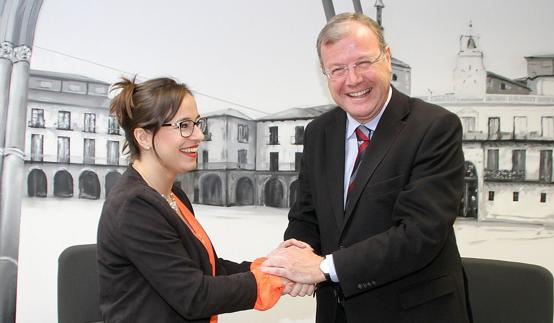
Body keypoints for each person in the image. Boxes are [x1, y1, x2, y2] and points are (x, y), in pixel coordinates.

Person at [262, 13, 472, 323]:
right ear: (325, 74)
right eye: (338, 69)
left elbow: (419, 234)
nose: (353, 80)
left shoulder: (434, 127)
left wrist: (320, 268)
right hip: (338, 313)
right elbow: (307, 215)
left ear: (386, 58)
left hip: (414, 313)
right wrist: (297, 251)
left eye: (363, 63)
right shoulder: (319, 132)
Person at [97, 77, 305, 323]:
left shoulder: (173, 196)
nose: (199, 136)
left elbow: (209, 269)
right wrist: (277, 279)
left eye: (197, 123)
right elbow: (194, 296)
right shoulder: (134, 206)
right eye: (184, 125)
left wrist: (273, 267)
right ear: (143, 136)